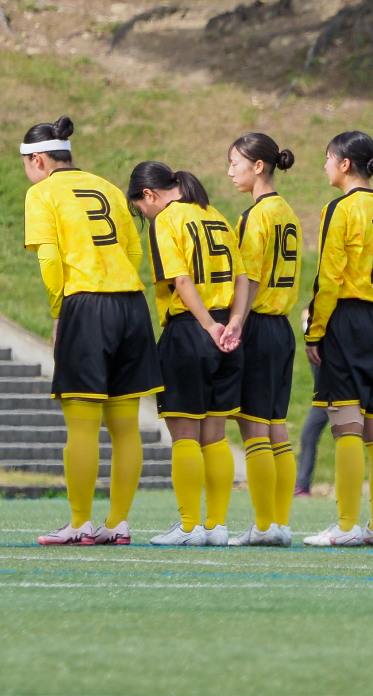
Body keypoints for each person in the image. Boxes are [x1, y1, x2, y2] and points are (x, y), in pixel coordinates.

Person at [22, 117, 160, 546]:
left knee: (81, 428)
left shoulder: (42, 192)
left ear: (38, 160)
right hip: (131, 304)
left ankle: (80, 522)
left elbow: (49, 260)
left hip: (86, 304)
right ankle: (117, 523)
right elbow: (135, 249)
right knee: (126, 427)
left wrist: (60, 310)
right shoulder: (109, 188)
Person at [127, 161, 249, 548]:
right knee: (214, 436)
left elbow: (181, 280)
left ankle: (189, 525)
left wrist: (207, 326)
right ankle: (216, 526)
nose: (144, 216)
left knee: (184, 435)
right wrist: (233, 323)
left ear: (149, 195)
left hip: (190, 331)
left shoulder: (167, 220)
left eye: (140, 208)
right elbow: (243, 277)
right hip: (228, 335)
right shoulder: (215, 215)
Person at [302, 132, 373, 548]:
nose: (324, 166)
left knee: (345, 426)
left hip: (347, 318)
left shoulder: (341, 209)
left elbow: (330, 275)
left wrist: (316, 330)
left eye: (328, 159)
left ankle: (345, 526)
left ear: (345, 164)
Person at [225, 134, 304, 548]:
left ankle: (263, 524)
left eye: (235, 162)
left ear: (259, 166)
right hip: (283, 327)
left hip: (258, 324)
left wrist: (236, 320)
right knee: (276, 427)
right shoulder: (287, 212)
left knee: (254, 427)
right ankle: (279, 523)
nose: (230, 171)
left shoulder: (257, 215)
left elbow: (250, 276)